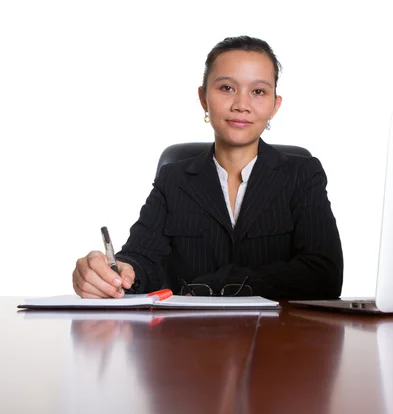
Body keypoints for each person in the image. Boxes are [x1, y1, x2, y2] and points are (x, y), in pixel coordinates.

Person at [72, 35, 343, 300]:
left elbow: (324, 274)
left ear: (275, 105)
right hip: (191, 339)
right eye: (226, 88)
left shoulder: (302, 175)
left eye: (258, 91)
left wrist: (221, 283)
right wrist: (117, 273)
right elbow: (142, 257)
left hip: (280, 338)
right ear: (203, 98)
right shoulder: (174, 179)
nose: (241, 105)